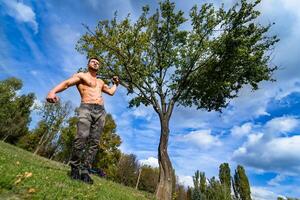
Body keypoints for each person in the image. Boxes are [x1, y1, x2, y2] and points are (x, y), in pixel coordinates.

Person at [46, 57, 119, 184]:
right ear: (88, 64)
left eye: (97, 63)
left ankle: (85, 171)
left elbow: (111, 92)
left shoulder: (101, 82)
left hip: (100, 111)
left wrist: (116, 83)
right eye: (93, 61)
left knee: (95, 142)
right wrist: (53, 91)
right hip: (86, 107)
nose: (95, 63)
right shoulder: (81, 76)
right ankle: (74, 167)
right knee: (81, 136)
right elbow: (67, 83)